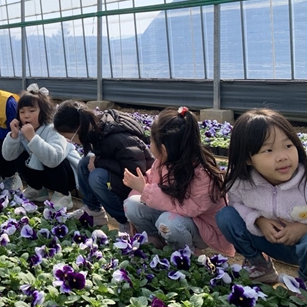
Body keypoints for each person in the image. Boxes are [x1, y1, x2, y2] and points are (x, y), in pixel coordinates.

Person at [123, 107, 234, 255]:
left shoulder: (202, 175)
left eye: (151, 140)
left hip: (201, 228)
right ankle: (156, 241)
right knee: (131, 204)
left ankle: (189, 254)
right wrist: (139, 190)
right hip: (173, 215)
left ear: (163, 149)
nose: (150, 144)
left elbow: (188, 208)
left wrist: (145, 190)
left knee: (168, 223)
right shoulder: (162, 162)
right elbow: (149, 181)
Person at [216, 109, 307, 284]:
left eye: (288, 146)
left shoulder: (304, 181)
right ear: (248, 158)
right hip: (269, 242)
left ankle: (304, 283)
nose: (282, 157)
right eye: (268, 150)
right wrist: (258, 220)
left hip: (303, 247)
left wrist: (303, 229)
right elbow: (237, 205)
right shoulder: (243, 183)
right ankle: (259, 265)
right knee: (225, 216)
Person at [53, 100, 154, 229]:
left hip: (140, 184)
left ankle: (127, 221)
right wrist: (97, 160)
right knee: (85, 162)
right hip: (123, 173)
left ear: (79, 128)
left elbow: (135, 170)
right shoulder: (96, 128)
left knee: (97, 177)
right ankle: (94, 211)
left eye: (69, 138)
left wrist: (99, 162)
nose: (70, 142)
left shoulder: (117, 137)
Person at [2, 84, 80, 209]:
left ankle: (63, 195)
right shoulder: (23, 131)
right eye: (22, 112)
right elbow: (8, 156)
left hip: (67, 176)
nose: (26, 115)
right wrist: (13, 136)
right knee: (18, 153)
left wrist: (33, 138)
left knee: (49, 155)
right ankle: (37, 190)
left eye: (31, 111)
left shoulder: (53, 129)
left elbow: (54, 159)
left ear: (43, 112)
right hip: (46, 176)